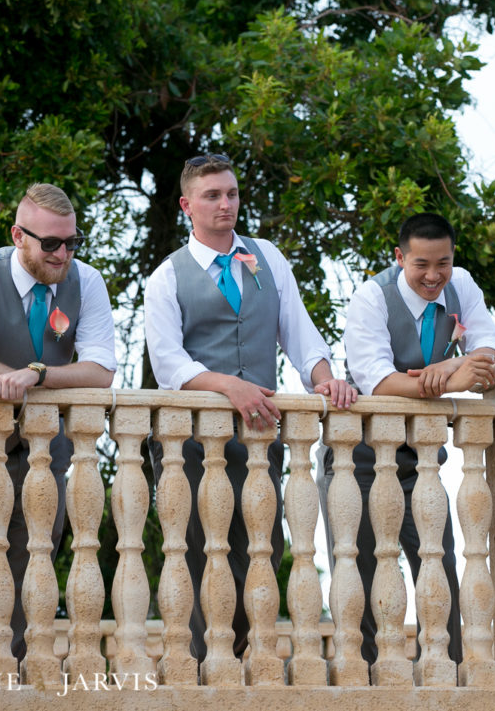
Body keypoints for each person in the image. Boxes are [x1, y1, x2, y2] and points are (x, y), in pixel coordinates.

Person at [144, 153, 356, 661]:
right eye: (213, 195)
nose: (225, 203)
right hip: (189, 443)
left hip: (260, 437)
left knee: (261, 551)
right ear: (186, 205)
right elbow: (169, 363)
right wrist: (229, 386)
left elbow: (299, 331)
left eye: (232, 193)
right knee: (197, 554)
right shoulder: (166, 278)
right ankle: (200, 668)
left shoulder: (267, 258)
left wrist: (326, 379)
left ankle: (242, 663)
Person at [321, 211, 495, 666]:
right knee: (358, 574)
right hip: (357, 459)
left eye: (442, 263)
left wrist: (448, 368)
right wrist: (453, 379)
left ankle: (452, 673)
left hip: (422, 461)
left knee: (440, 570)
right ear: (400, 256)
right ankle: (361, 678)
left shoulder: (461, 285)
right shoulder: (372, 296)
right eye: (421, 264)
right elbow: (378, 382)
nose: (433, 276)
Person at [0, 183, 117, 667]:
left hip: (50, 454)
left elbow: (102, 371)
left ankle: (16, 687)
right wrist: (34, 378)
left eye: (72, 243)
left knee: (34, 581)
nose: (63, 254)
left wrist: (37, 374)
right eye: (51, 244)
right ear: (18, 235)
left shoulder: (88, 281)